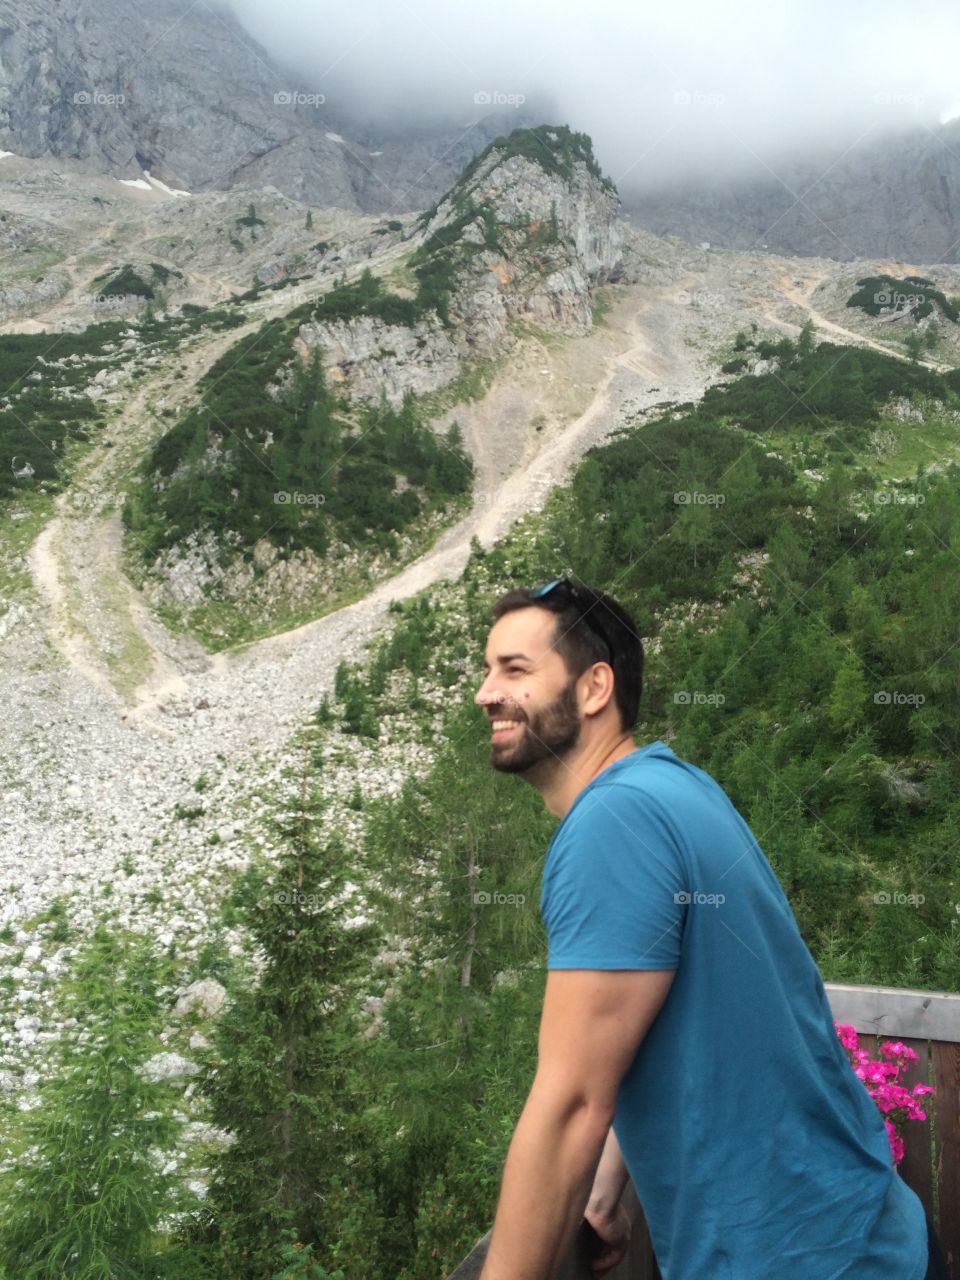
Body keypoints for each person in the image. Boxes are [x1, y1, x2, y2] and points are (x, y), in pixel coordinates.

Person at [473, 577, 932, 1280]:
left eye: (515, 670)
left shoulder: (612, 823)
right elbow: (660, 1009)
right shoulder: (677, 787)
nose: (486, 693)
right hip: (861, 1230)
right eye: (486, 669)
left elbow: (569, 1103)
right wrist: (605, 1186)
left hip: (790, 1260)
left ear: (594, 688)